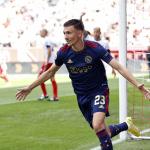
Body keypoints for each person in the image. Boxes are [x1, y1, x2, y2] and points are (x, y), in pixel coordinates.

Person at [16, 19, 150, 150]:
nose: (65, 36)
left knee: (97, 125)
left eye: (69, 33)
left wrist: (137, 84)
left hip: (99, 90)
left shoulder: (94, 48)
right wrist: (30, 87)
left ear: (80, 34)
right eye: (64, 33)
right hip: (81, 96)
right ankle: (126, 125)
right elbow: (50, 72)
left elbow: (119, 67)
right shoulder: (63, 52)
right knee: (105, 132)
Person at [38, 29, 58, 101]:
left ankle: (45, 94)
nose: (40, 33)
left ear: (45, 33)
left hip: (49, 62)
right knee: (52, 78)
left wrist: (46, 61)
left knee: (40, 77)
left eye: (41, 32)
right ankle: (55, 96)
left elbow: (49, 50)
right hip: (52, 61)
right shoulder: (49, 40)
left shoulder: (47, 40)